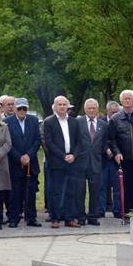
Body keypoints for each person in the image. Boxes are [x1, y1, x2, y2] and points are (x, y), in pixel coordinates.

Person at [44, 95, 83, 228]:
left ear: (68, 106)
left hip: (72, 162)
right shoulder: (49, 122)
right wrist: (63, 155)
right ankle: (55, 218)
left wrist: (74, 155)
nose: (62, 107)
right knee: (56, 192)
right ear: (55, 107)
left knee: (71, 191)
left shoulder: (74, 122)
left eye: (64, 104)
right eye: (59, 104)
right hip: (57, 162)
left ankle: (70, 218)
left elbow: (79, 142)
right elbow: (49, 143)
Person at [5, 97, 42, 227]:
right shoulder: (7, 122)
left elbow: (37, 140)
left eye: (24, 108)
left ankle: (31, 218)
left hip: (31, 163)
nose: (22, 110)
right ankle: (14, 218)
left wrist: (28, 155)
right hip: (15, 163)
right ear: (15, 108)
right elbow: (7, 143)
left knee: (30, 192)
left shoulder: (34, 120)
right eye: (19, 108)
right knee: (15, 193)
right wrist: (19, 157)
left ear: (27, 108)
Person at [76, 98, 107, 225]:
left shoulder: (103, 125)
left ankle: (93, 216)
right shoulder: (77, 122)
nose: (92, 110)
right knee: (80, 191)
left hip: (96, 163)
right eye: (89, 108)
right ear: (85, 109)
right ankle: (81, 216)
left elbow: (105, 143)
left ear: (97, 109)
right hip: (80, 163)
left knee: (95, 191)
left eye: (94, 108)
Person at [99, 100, 121, 218]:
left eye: (117, 112)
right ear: (107, 111)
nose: (115, 114)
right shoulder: (100, 122)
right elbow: (99, 139)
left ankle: (117, 210)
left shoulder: (120, 122)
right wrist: (106, 149)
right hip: (103, 159)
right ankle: (100, 210)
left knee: (117, 186)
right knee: (101, 186)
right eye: (113, 112)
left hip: (116, 160)